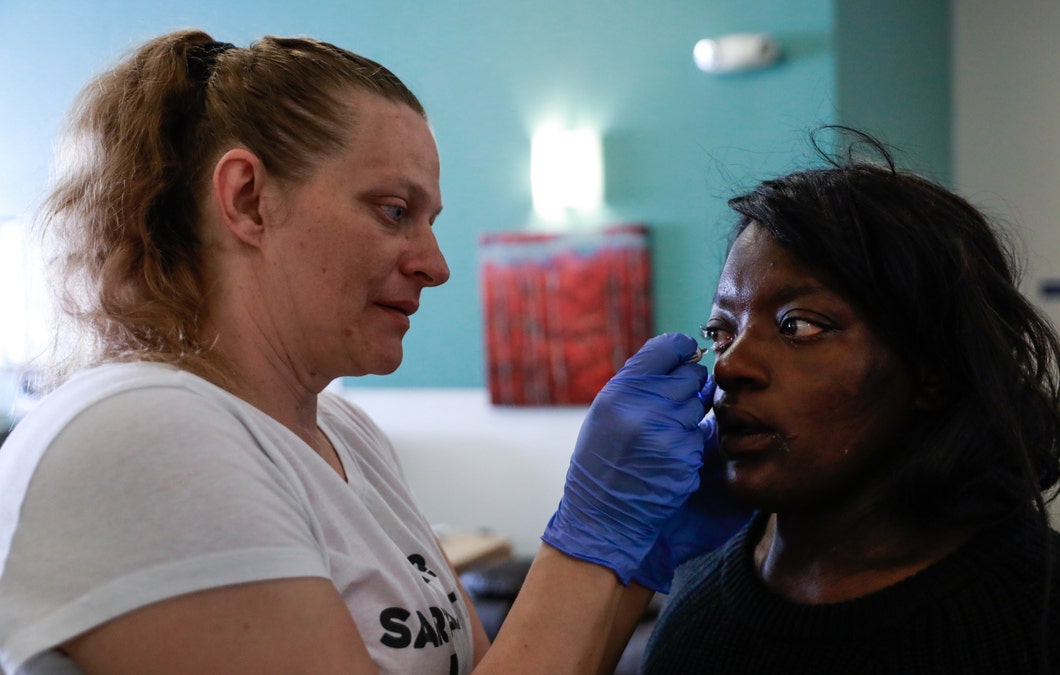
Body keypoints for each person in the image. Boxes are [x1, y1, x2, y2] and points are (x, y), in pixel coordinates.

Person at [0, 30, 742, 674]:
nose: (435, 262)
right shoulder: (145, 435)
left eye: (429, 219)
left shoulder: (344, 435)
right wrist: (594, 530)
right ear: (249, 198)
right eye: (394, 211)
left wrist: (632, 556)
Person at [642, 129, 1060, 674]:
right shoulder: (696, 591)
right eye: (721, 331)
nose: (732, 365)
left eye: (800, 326)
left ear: (933, 368)